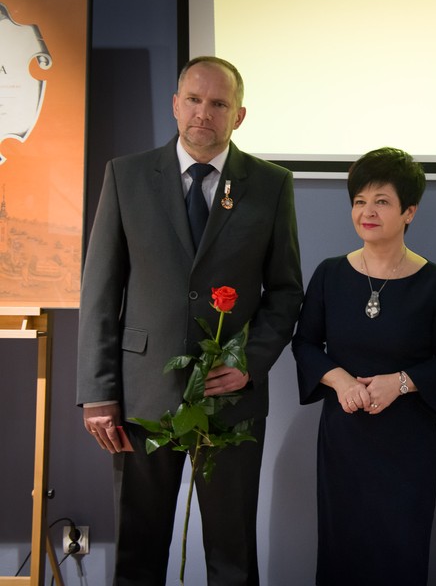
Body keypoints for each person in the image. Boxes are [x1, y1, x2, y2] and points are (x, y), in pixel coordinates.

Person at [77, 56, 304, 585]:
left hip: (233, 398)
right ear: (176, 105)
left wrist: (249, 361)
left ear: (239, 115)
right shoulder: (126, 175)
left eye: (219, 104)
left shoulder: (270, 185)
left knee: (232, 557)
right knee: (138, 554)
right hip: (139, 398)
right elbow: (100, 291)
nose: (205, 113)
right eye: (195, 100)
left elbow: (287, 291)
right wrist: (98, 391)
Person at [292, 147, 436, 586]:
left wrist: (402, 382)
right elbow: (306, 343)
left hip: (408, 441)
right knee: (342, 548)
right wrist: (340, 380)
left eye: (382, 201)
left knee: (401, 550)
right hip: (344, 435)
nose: (367, 212)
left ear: (409, 211)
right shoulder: (330, 273)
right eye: (359, 201)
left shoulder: (435, 281)